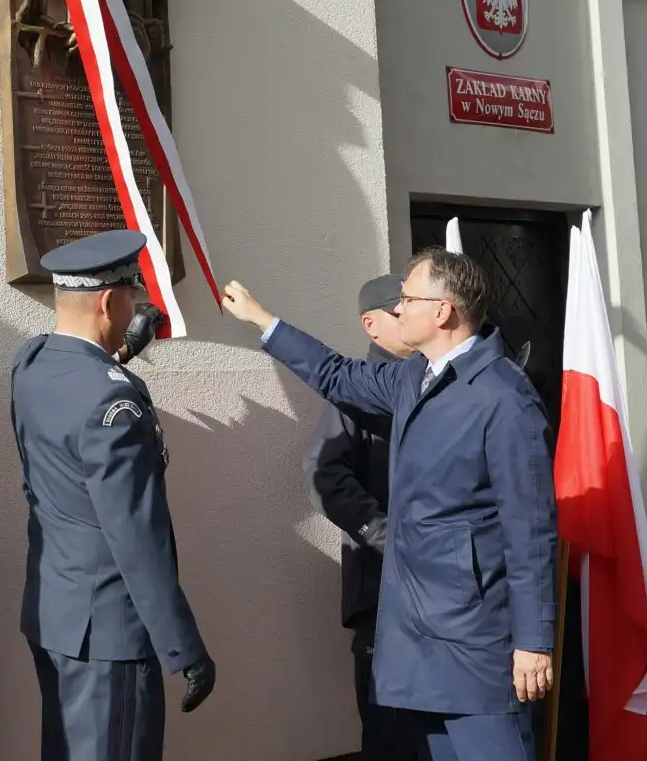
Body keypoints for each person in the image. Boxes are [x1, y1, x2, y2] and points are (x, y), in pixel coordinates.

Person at [223, 247, 557, 761]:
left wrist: (533, 642)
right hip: (417, 643)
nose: (398, 310)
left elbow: (530, 529)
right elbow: (336, 375)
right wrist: (264, 321)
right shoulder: (413, 378)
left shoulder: (503, 398)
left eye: (407, 298)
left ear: (443, 311)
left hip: (476, 649)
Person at [11, 229, 215, 761]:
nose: (137, 305)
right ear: (109, 300)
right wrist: (182, 647)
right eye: (132, 294)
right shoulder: (113, 402)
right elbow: (135, 535)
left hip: (56, 613)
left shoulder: (30, 364)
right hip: (109, 631)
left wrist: (120, 352)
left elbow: (76, 403)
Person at [302, 273, 416, 761]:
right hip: (385, 598)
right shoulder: (358, 391)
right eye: (400, 311)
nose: (411, 318)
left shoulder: (436, 383)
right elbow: (324, 474)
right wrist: (385, 536)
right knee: (391, 737)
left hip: (441, 601)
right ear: (372, 325)